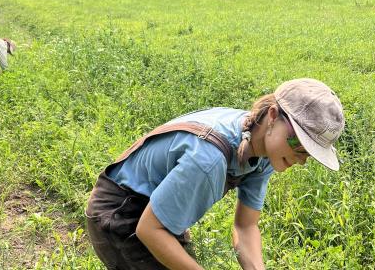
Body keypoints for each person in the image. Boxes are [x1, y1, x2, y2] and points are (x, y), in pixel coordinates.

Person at [86, 78, 345, 270]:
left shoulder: (262, 147)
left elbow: (245, 226)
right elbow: (149, 230)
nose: (301, 160)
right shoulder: (209, 160)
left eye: (309, 154)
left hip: (156, 212)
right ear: (273, 117)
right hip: (120, 214)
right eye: (297, 144)